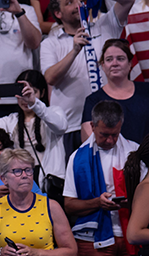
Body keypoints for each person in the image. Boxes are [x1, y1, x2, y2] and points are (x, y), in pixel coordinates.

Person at [64, 101, 141, 256]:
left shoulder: (135, 152)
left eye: (114, 134)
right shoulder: (77, 158)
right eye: (104, 135)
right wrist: (98, 203)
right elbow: (69, 205)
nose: (109, 140)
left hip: (130, 231)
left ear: (121, 125)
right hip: (92, 234)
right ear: (92, 126)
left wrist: (131, 201)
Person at [41, 0, 134, 160]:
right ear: (58, 13)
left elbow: (128, 2)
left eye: (79, 0)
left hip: (111, 123)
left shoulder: (105, 25)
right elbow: (50, 77)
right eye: (69, 2)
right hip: (72, 125)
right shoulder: (50, 43)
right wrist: (75, 50)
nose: (77, 4)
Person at [0, 70, 67, 191]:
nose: (26, 98)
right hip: (20, 181)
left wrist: (34, 103)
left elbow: (61, 126)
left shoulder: (52, 112)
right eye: (22, 93)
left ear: (42, 92)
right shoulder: (10, 121)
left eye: (32, 92)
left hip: (51, 184)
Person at [82, 39, 149, 145]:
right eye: (109, 59)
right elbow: (88, 142)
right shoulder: (93, 100)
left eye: (120, 59)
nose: (114, 63)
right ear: (103, 66)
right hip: (110, 160)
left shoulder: (146, 91)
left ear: (130, 64)